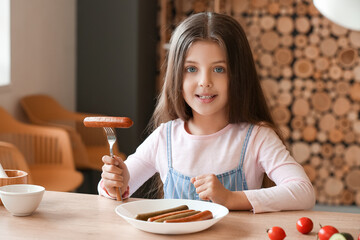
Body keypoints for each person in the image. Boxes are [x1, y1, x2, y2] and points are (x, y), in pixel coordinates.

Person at [98, 12, 315, 213]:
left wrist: (231, 198)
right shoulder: (165, 138)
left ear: (238, 75)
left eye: (218, 69)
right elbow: (110, 192)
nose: (205, 82)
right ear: (176, 76)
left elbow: (304, 192)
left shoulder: (257, 138)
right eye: (191, 69)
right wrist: (115, 181)